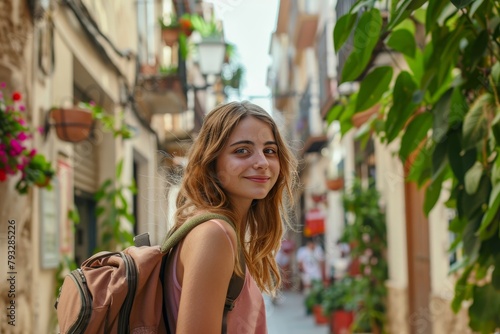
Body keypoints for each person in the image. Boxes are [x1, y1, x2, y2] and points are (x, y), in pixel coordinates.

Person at [164, 101, 298, 333]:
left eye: (269, 151)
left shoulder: (214, 230)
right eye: (242, 151)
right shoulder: (214, 234)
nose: (262, 163)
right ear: (212, 163)